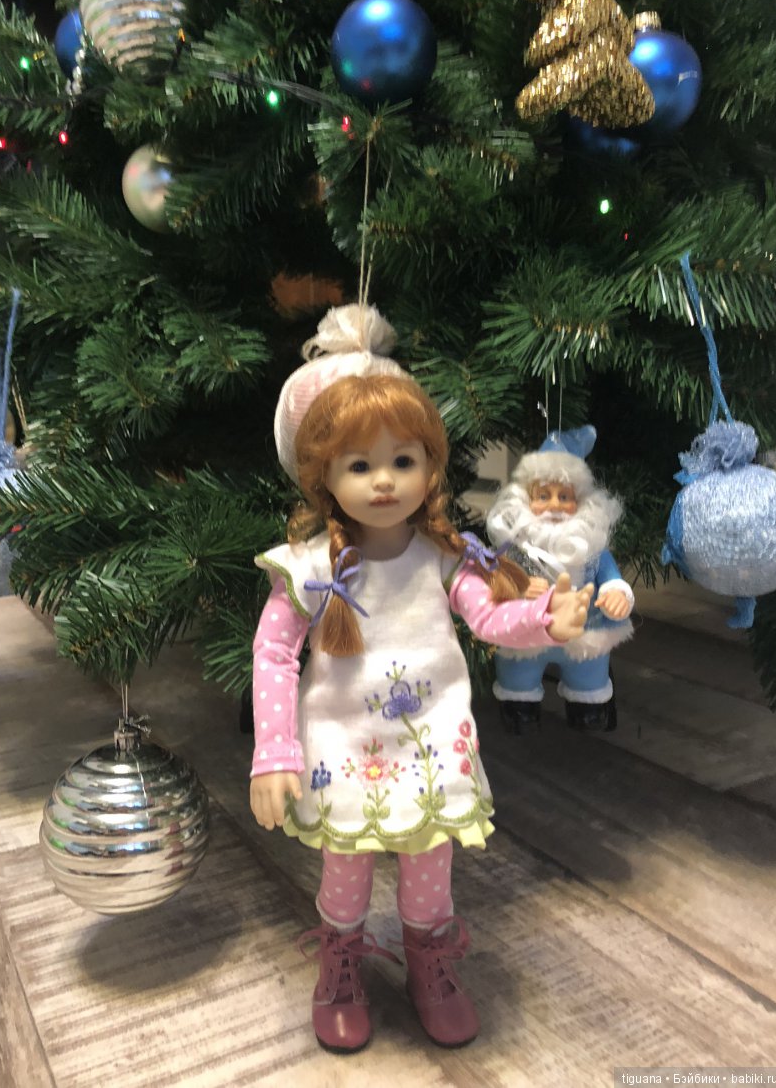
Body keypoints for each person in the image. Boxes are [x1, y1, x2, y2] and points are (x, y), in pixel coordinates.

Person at [249, 304, 594, 1054]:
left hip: (430, 744)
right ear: (323, 475)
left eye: (402, 461)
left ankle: (429, 961)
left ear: (429, 467)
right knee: (344, 865)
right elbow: (274, 653)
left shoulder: (443, 555)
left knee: (429, 864)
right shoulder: (310, 566)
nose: (383, 481)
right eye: (359, 465)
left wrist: (546, 620)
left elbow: (490, 618)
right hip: (343, 747)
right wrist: (274, 751)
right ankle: (341, 963)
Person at [485, 425, 634, 734]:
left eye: (564, 496)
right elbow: (495, 581)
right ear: (525, 500)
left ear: (581, 502)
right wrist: (517, 587)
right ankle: (519, 706)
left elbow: (611, 577)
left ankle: (587, 706)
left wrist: (616, 594)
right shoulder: (515, 548)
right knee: (517, 671)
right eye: (543, 496)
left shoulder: (592, 549)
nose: (554, 505)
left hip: (584, 633)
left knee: (589, 670)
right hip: (527, 633)